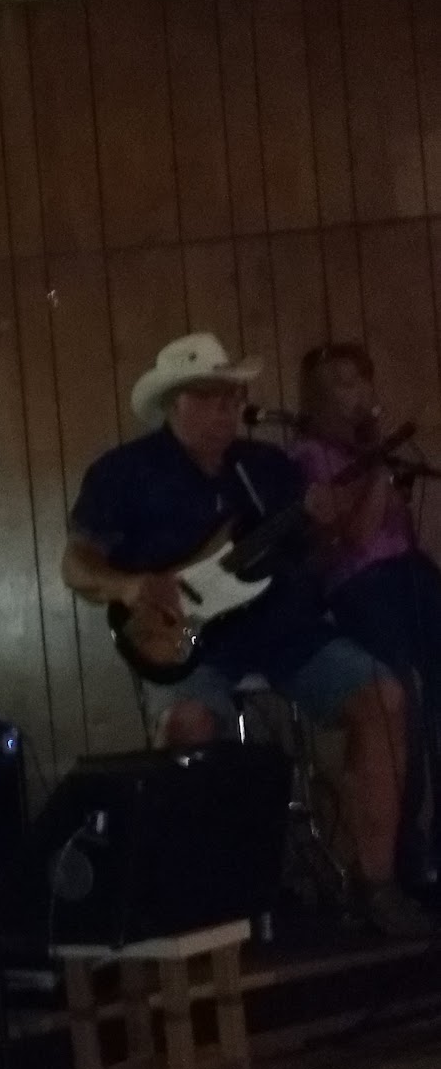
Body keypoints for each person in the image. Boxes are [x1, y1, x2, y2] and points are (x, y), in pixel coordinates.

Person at [60, 332, 425, 939]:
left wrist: (326, 525)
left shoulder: (266, 468)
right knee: (189, 726)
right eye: (210, 398)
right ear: (173, 403)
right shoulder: (123, 472)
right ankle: (202, 900)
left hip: (283, 629)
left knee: (383, 698)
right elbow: (76, 564)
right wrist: (130, 587)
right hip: (185, 643)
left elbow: (314, 558)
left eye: (233, 398)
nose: (227, 410)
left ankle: (376, 885)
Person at [293, 341, 441, 892]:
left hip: (410, 575)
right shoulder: (309, 456)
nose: (356, 393)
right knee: (400, 708)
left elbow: (401, 525)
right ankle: (406, 860)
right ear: (316, 396)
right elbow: (356, 537)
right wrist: (377, 462)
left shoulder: (369, 452)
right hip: (363, 587)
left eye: (360, 380)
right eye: (341, 382)